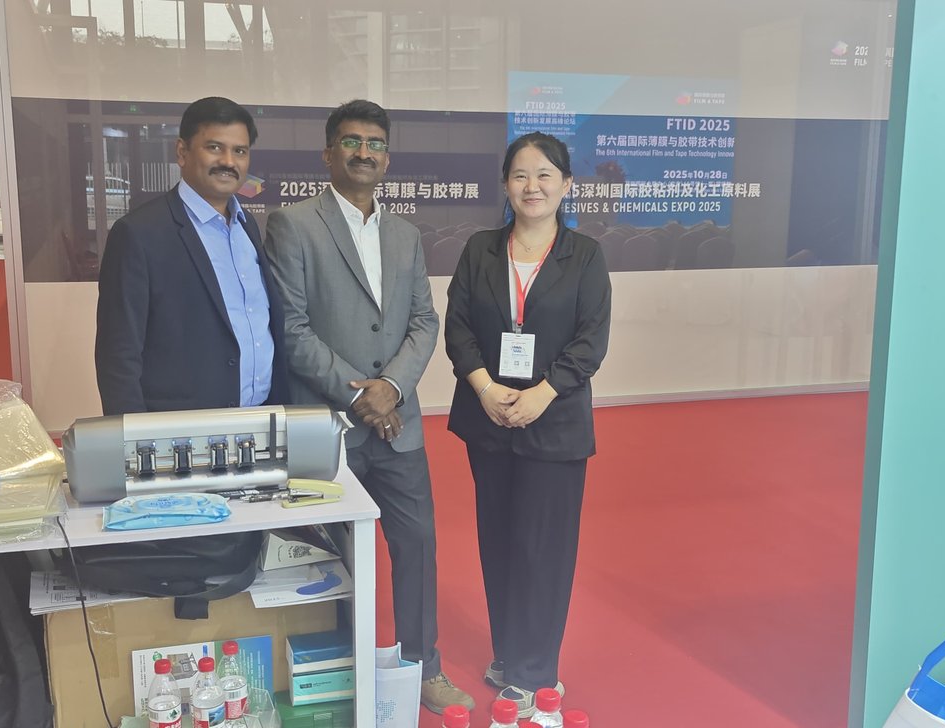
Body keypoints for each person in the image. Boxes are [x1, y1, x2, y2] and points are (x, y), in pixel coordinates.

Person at [264, 100, 472, 713]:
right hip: (331, 427)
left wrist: (393, 388)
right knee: (333, 557)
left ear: (387, 157)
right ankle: (341, 674)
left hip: (398, 426)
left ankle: (423, 666)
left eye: (375, 143)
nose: (364, 152)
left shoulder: (406, 234)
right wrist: (361, 395)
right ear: (329, 153)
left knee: (418, 547)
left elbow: (424, 321)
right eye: (351, 141)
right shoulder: (293, 224)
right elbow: (292, 330)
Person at [442, 132, 612, 717]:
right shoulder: (480, 249)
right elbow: (458, 328)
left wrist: (543, 393)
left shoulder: (584, 255)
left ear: (566, 185)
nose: (532, 186)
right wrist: (486, 388)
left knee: (544, 550)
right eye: (520, 175)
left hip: (554, 422)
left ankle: (536, 673)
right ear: (505, 185)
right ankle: (510, 654)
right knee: (499, 543)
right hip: (489, 419)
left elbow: (591, 341)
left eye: (544, 175)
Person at [95, 96, 289, 415]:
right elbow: (118, 355)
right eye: (214, 147)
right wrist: (131, 436)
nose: (228, 161)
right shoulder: (139, 234)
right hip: (182, 428)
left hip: (260, 419)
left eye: (240, 151)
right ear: (182, 152)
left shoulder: (247, 226)